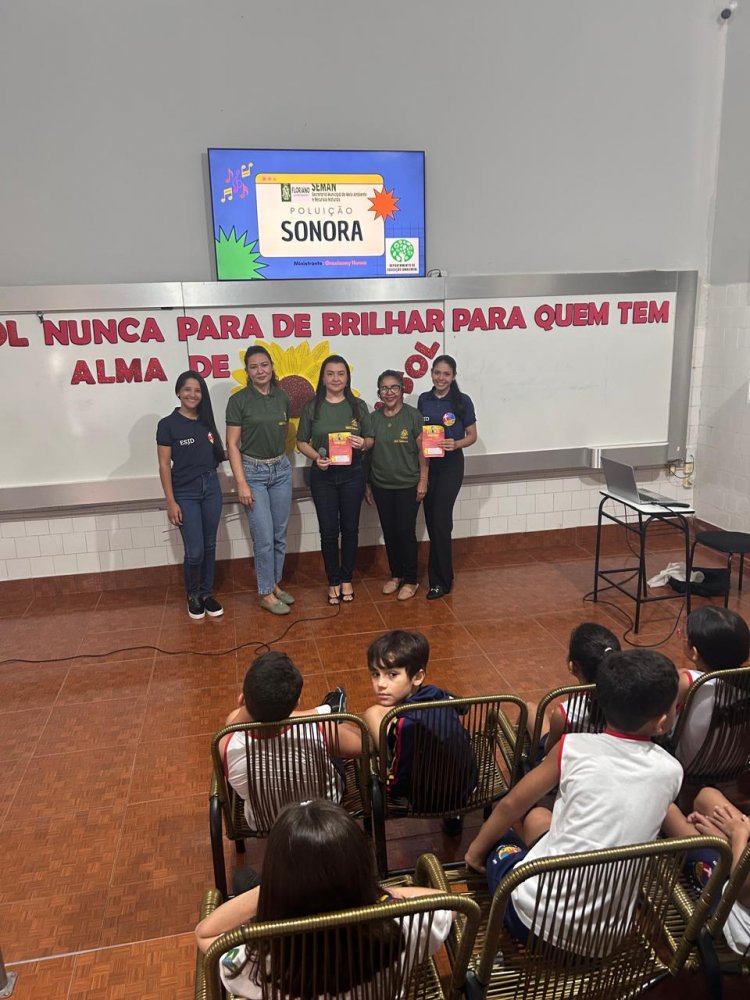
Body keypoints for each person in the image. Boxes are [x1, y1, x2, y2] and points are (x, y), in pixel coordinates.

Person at [464, 649, 682, 949]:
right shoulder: (672, 771)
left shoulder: (573, 748)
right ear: (661, 722)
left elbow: (511, 804)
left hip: (530, 922)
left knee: (505, 838)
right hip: (608, 939)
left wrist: (475, 853)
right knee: (541, 819)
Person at [194, 800, 454, 999]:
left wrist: (272, 888)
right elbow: (445, 903)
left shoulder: (257, 961)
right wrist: (379, 893)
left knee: (242, 879)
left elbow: (205, 934)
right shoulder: (402, 927)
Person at [220, 651, 361, 830]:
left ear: (241, 699)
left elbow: (232, 721)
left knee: (332, 733)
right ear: (296, 705)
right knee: (335, 736)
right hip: (321, 814)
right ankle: (329, 712)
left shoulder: (225, 744)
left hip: (265, 823)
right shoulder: (319, 730)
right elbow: (364, 745)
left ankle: (326, 711)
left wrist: (245, 705)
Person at [362, 630, 477, 816]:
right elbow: (462, 708)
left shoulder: (406, 724)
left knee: (372, 713)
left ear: (417, 677)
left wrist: (385, 780)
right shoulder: (436, 694)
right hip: (468, 782)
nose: (380, 684)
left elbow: (400, 780)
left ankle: (382, 753)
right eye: (376, 674)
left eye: (392, 674)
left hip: (430, 799)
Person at [297, 355, 374, 605]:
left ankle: (346, 578)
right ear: (323, 377)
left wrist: (363, 443)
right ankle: (332, 580)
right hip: (323, 476)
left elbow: (370, 439)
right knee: (329, 532)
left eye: (341, 373)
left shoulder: (358, 406)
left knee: (350, 529)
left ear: (347, 377)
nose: (336, 378)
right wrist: (315, 458)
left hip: (353, 473)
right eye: (330, 373)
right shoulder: (313, 406)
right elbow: (301, 442)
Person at [226, 345, 294, 615]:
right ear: (247, 372)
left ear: (272, 367)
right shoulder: (239, 400)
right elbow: (232, 445)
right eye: (254, 367)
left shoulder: (281, 397)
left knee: (279, 535)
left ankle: (274, 584)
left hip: (281, 470)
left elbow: (283, 431)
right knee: (263, 537)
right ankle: (265, 592)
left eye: (264, 365)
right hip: (252, 473)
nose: (260, 370)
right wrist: (241, 482)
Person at [156, 370, 226, 620]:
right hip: (185, 492)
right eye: (187, 389)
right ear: (178, 392)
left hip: (212, 488)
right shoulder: (167, 425)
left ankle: (206, 593)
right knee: (194, 550)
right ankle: (193, 595)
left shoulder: (206, 421)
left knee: (209, 545)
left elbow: (218, 453)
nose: (192, 394)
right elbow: (164, 465)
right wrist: (171, 501)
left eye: (197, 390)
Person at [663, 788, 750, 957]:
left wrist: (736, 835)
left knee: (667, 809)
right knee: (707, 796)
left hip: (733, 901)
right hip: (741, 860)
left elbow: (742, 890)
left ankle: (710, 843)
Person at [417, 355, 477, 600]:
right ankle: (446, 574)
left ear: (453, 376)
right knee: (433, 521)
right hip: (429, 465)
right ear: (431, 373)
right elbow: (420, 434)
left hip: (451, 466)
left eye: (446, 374)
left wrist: (457, 443)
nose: (441, 378)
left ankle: (438, 581)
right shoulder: (423, 399)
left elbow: (472, 435)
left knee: (440, 521)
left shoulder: (462, 401)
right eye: (437, 373)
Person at [365, 370, 428, 601]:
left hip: (408, 484)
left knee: (405, 531)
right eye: (384, 388)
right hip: (381, 484)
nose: (389, 392)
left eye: (394, 388)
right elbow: (368, 455)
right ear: (379, 392)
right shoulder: (373, 419)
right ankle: (396, 575)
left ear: (402, 390)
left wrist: (423, 479)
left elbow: (424, 451)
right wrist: (368, 484)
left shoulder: (413, 416)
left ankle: (411, 579)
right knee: (390, 532)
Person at [527, 622, 621, 754]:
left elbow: (550, 750)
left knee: (530, 708)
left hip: (573, 763)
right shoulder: (634, 700)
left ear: (573, 667)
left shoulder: (565, 713)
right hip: (613, 757)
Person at [675, 606, 750, 765]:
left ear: (694, 652)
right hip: (734, 767)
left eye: (682, 633)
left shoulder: (688, 680)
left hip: (690, 767)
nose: (679, 634)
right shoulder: (746, 679)